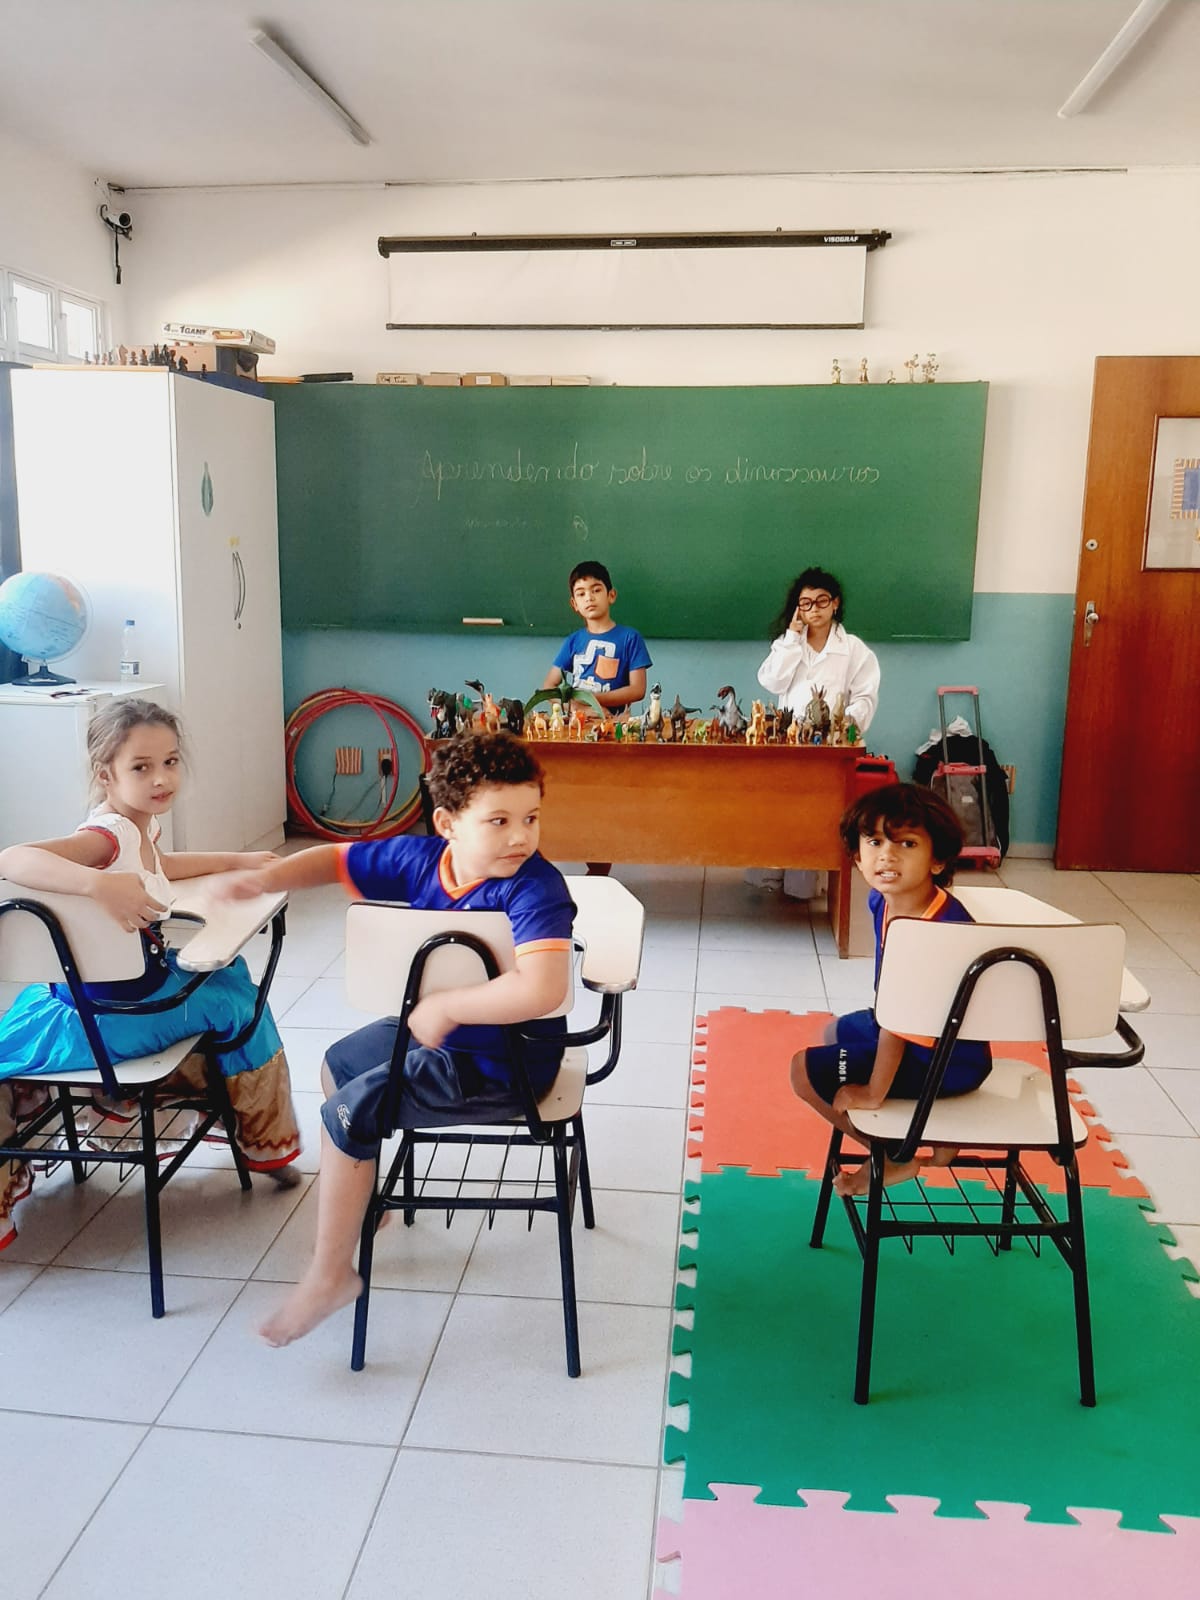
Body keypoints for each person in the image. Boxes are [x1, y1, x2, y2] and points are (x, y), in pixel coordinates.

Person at [217, 731, 576, 1347]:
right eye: (499, 820)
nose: (521, 836)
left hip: (503, 1065)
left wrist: (451, 1005)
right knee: (339, 1063)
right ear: (447, 824)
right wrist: (266, 879)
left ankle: (330, 1275)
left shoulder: (535, 887)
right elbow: (335, 860)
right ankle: (365, 1190)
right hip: (438, 1042)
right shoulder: (417, 861)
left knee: (349, 1108)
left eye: (531, 818)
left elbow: (542, 989)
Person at [0, 699, 301, 1251]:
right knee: (239, 996)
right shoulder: (108, 833)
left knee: (222, 975)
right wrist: (97, 885)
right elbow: (12, 857)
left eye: (171, 761)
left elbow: (159, 868)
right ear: (105, 774)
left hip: (80, 1005)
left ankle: (177, 1115)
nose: (162, 778)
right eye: (141, 767)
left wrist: (236, 859)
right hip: (118, 1017)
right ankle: (265, 1144)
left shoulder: (139, 827)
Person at [788, 783, 991, 1196]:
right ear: (857, 856)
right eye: (875, 841)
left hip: (947, 1062)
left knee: (802, 1072)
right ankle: (937, 1125)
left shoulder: (932, 935)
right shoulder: (883, 902)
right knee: (836, 1031)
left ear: (937, 861)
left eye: (907, 843)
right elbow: (895, 1013)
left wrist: (873, 1091)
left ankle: (895, 1155)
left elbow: (902, 1024)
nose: (887, 855)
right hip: (932, 1040)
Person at [756, 566, 880, 735]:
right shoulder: (788, 642)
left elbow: (865, 698)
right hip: (791, 737)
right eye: (806, 603)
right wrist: (792, 638)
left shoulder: (854, 648)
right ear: (798, 609)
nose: (814, 609)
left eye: (821, 601)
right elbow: (772, 683)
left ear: (835, 603)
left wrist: (843, 723)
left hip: (833, 740)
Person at [542, 560, 652, 712]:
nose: (589, 598)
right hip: (577, 725)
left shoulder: (630, 638)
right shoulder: (573, 641)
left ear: (611, 595)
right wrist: (576, 707)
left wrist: (592, 700)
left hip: (615, 725)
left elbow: (638, 690)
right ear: (574, 604)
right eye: (581, 593)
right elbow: (548, 687)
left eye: (596, 590)